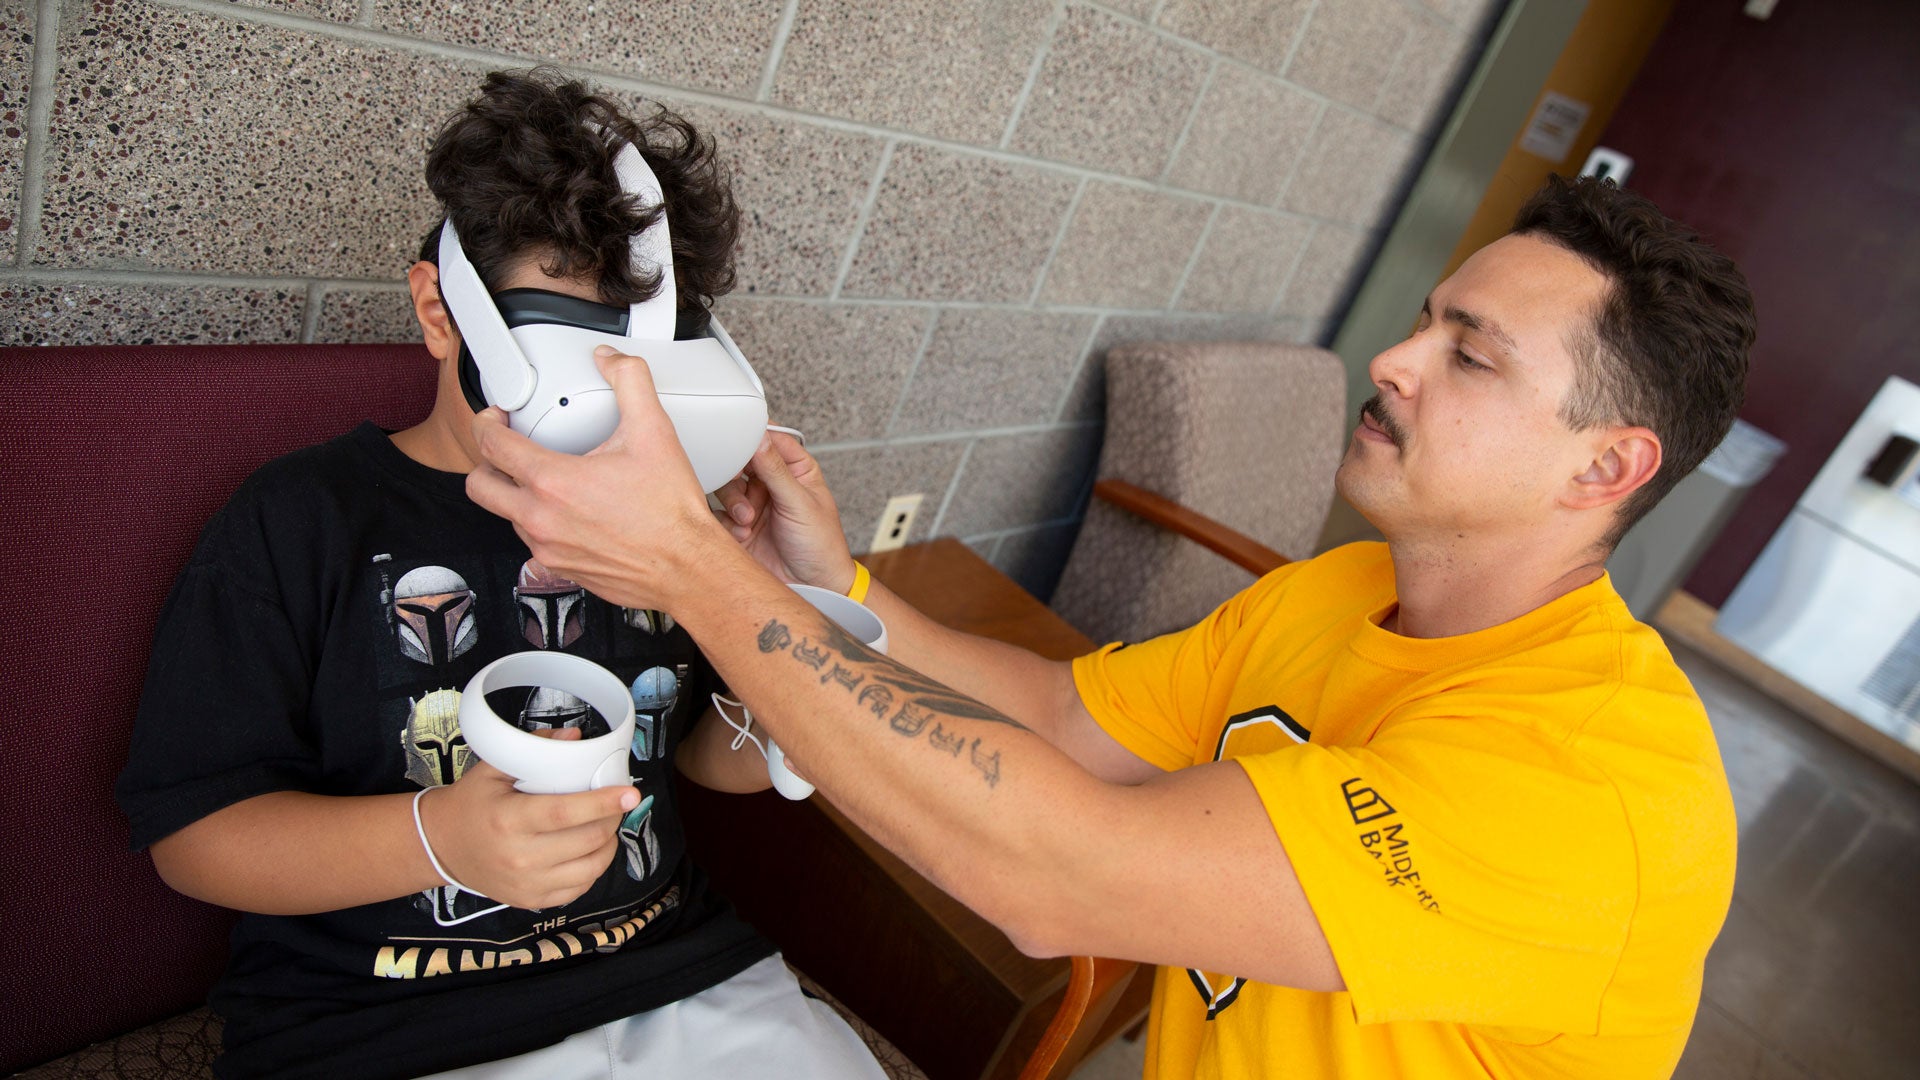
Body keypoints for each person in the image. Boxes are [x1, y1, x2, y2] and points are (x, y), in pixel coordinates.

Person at [463, 175, 1756, 1079]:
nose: (1396, 361)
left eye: (1470, 357)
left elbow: (1054, 878)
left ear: (1606, 468)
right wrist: (840, 589)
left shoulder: (1592, 797)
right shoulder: (1345, 590)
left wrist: (690, 568)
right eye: (1425, 320)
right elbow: (1072, 718)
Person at [115, 70, 885, 1080]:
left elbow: (699, 757)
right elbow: (196, 838)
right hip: (385, 1029)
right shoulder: (302, 520)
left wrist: (788, 624)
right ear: (442, 313)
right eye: (573, 343)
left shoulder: (671, 524)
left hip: (683, 984)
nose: (616, 398)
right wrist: (439, 840)